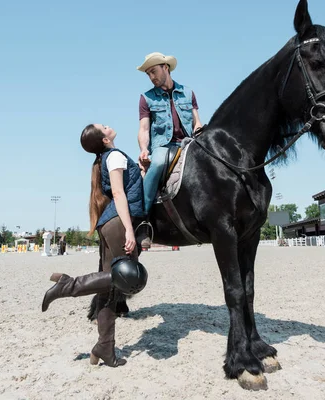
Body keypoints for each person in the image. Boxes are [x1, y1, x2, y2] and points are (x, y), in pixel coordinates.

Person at [41, 123, 146, 368]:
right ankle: (68, 285)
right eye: (104, 127)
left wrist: (141, 171)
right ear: (105, 139)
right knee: (125, 278)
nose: (108, 126)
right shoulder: (116, 156)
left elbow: (127, 189)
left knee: (109, 287)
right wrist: (130, 229)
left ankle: (104, 347)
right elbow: (119, 195)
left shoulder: (107, 159)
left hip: (109, 223)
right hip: (119, 223)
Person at [136, 52, 203, 215]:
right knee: (158, 163)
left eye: (153, 71)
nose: (151, 77)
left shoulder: (188, 93)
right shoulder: (146, 98)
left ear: (165, 68)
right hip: (163, 146)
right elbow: (144, 129)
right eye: (148, 74)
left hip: (189, 142)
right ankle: (143, 215)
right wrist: (144, 149)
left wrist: (200, 135)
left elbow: (197, 123)